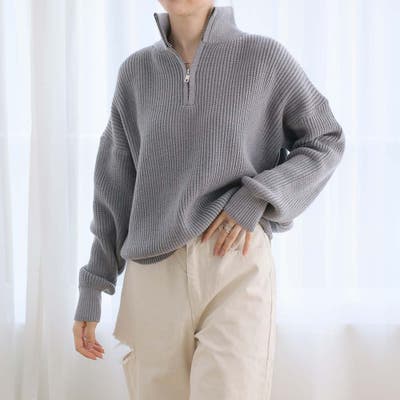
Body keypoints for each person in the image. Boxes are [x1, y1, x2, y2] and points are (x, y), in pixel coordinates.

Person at [72, 1, 345, 399]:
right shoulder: (136, 73)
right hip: (152, 274)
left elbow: (325, 138)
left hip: (234, 262)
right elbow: (115, 185)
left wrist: (257, 197)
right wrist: (94, 283)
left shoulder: (263, 59)